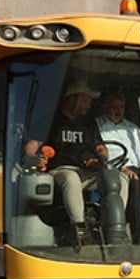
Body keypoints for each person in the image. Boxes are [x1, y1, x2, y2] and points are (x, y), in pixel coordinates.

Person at [46, 86, 126, 250]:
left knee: (120, 178)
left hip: (87, 172)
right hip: (61, 169)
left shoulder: (89, 124)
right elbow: (34, 145)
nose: (89, 105)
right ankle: (80, 230)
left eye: (89, 101)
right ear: (72, 98)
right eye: (85, 100)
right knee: (71, 178)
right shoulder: (52, 121)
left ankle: (114, 228)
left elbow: (101, 148)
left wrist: (100, 159)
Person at [95, 91, 140, 243]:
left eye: (121, 107)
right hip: (117, 171)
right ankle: (139, 238)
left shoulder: (133, 129)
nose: (118, 111)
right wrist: (122, 168)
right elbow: (103, 155)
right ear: (106, 107)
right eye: (114, 107)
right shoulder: (98, 126)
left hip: (139, 171)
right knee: (133, 182)